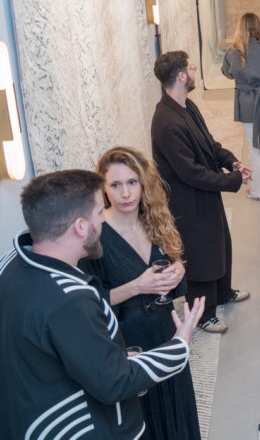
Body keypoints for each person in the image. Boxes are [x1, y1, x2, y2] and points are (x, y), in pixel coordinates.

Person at [0, 169, 204, 439]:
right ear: (80, 227)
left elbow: (53, 349)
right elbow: (115, 382)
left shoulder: (9, 264)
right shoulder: (70, 299)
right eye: (99, 212)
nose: (103, 219)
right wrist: (179, 344)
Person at [82, 147, 201, 440]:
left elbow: (174, 289)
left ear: (143, 183)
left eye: (132, 182)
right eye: (115, 185)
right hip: (128, 345)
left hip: (166, 333)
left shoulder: (155, 221)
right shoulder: (95, 236)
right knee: (145, 420)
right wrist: (137, 286)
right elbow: (89, 305)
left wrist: (179, 271)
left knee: (177, 411)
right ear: (103, 188)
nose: (125, 193)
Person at [151, 50, 251, 333]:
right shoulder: (166, 122)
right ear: (182, 75)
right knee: (201, 255)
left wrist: (231, 161)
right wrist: (232, 181)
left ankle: (223, 292)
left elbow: (209, 143)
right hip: (188, 201)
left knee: (219, 243)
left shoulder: (186, 106)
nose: (195, 72)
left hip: (205, 194)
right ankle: (204, 314)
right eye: (192, 68)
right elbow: (190, 172)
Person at [222, 12, 260, 201]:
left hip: (246, 101)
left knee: (253, 145)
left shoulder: (232, 52)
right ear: (258, 27)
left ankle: (259, 190)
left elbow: (227, 73)